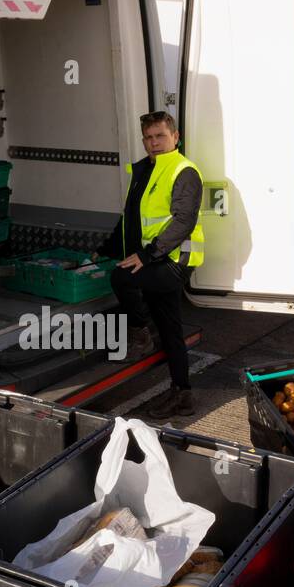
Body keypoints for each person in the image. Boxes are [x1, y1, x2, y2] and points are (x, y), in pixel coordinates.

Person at [93, 111, 204, 419]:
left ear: (175, 137)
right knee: (170, 329)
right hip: (156, 259)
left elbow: (184, 221)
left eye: (160, 136)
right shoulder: (146, 170)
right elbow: (130, 218)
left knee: (122, 278)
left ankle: (140, 333)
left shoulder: (184, 170)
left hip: (175, 260)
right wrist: (104, 249)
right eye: (149, 138)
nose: (154, 143)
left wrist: (146, 255)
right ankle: (183, 395)